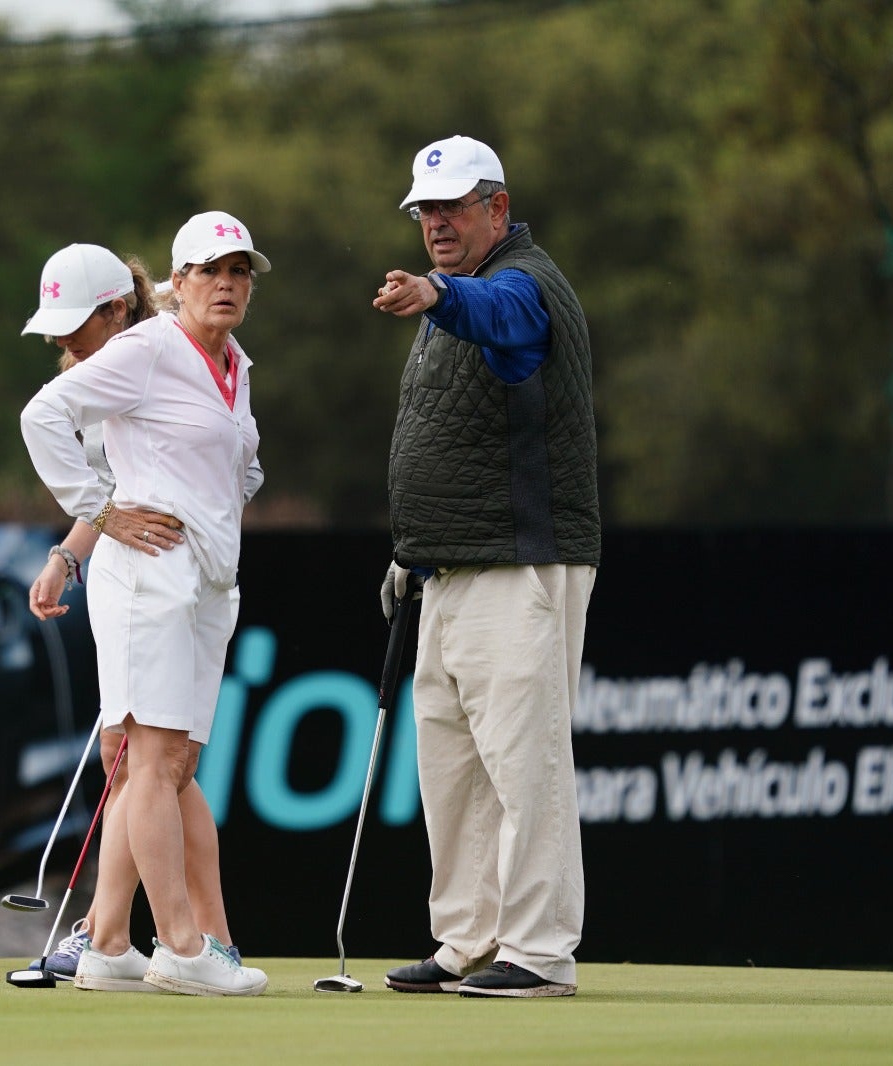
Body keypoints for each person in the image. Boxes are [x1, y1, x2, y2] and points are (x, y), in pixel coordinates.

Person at [371, 134, 599, 998]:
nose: (434, 223)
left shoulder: (524, 287)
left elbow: (503, 320)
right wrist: (411, 554)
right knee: (454, 770)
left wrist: (437, 293)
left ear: (497, 209)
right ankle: (467, 939)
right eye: (424, 211)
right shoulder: (456, 299)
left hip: (518, 564)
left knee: (524, 765)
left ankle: (537, 952)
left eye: (452, 207)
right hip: (450, 571)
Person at [20, 211, 271, 996]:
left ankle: (107, 942)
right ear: (180, 279)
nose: (227, 283)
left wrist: (213, 494)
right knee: (148, 762)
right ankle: (186, 949)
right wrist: (101, 511)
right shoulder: (148, 348)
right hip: (149, 576)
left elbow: (242, 464)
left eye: (240, 272)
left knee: (169, 763)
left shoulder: (235, 361)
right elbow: (42, 415)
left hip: (206, 582)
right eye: (210, 270)